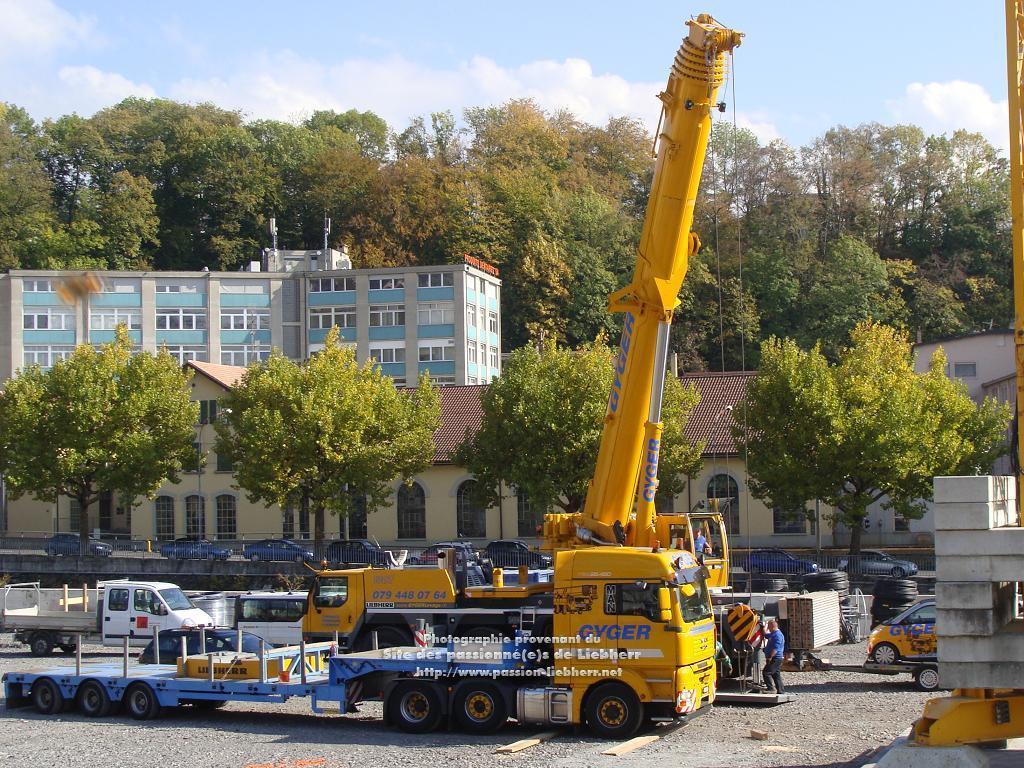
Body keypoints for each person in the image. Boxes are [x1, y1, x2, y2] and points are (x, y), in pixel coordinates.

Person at [762, 618, 786, 694]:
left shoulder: (778, 635)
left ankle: (770, 688)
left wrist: (770, 657)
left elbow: (775, 649)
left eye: (769, 627)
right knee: (776, 674)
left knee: (766, 672)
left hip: (776, 658)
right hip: (776, 657)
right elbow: (765, 635)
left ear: (772, 626)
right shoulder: (773, 634)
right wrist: (763, 627)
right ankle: (781, 690)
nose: (768, 628)